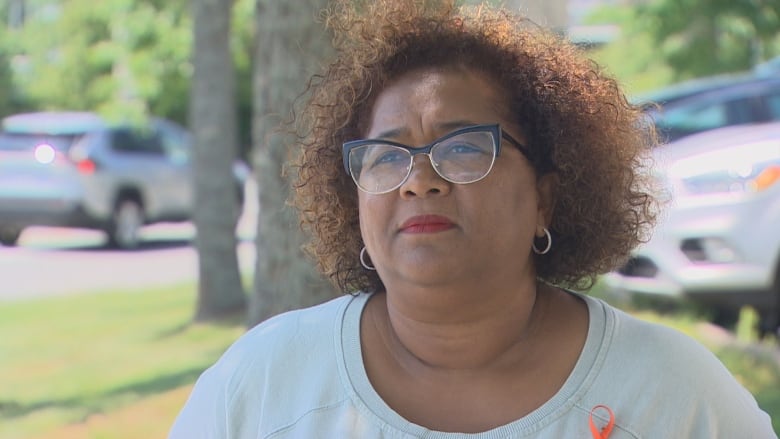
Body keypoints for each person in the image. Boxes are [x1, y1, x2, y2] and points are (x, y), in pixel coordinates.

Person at [169, 1, 776, 438]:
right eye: (386, 155)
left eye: (463, 148)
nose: (418, 178)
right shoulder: (266, 383)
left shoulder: (670, 393)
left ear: (546, 195)